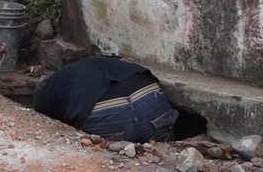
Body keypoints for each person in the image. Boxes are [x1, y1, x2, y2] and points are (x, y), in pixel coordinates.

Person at [33, 56, 179, 143]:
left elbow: (45, 118)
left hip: (107, 115)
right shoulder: (110, 62)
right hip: (151, 101)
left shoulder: (53, 86)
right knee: (160, 155)